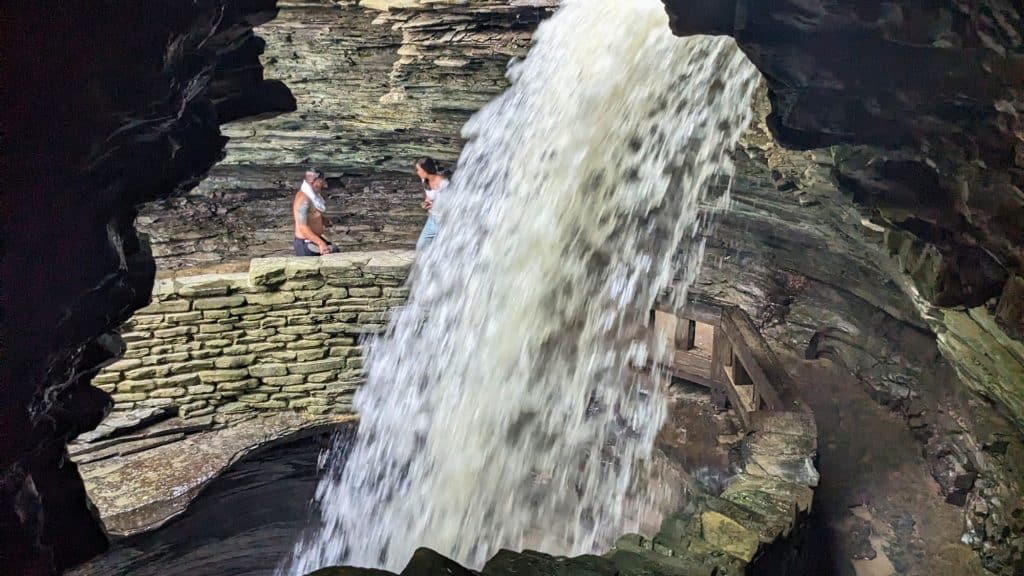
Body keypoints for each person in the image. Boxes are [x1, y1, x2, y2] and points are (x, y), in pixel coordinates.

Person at [293, 168, 335, 256]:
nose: (323, 185)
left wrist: (323, 220)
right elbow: (303, 227)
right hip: (305, 244)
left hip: (314, 239)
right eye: (321, 182)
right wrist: (321, 243)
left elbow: (311, 214)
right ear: (313, 181)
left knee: (335, 250)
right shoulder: (304, 200)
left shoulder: (312, 196)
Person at [415, 156, 450, 250]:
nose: (417, 172)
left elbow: (451, 203)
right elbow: (429, 197)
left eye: (418, 169)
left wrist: (434, 205)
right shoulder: (424, 180)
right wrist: (425, 203)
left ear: (425, 170)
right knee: (421, 246)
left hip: (444, 220)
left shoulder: (444, 183)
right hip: (432, 219)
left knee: (441, 250)